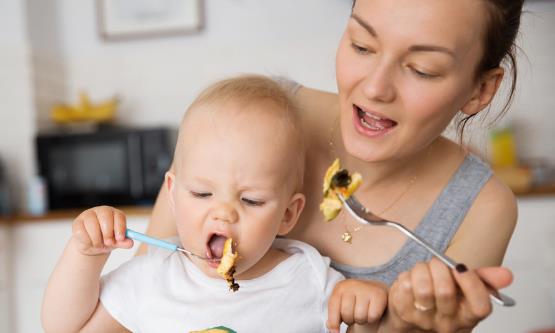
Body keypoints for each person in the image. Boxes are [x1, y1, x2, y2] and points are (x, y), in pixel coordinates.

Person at [142, 0, 523, 331]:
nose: (375, 88)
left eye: (422, 69)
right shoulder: (249, 119)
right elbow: (137, 304)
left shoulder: (479, 208)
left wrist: (401, 328)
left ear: (480, 90)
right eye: (362, 45)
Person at [41, 75, 391, 333]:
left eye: (251, 200)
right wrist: (85, 255)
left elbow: (361, 321)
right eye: (202, 194)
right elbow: (62, 328)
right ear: (173, 195)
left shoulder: (310, 282)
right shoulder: (155, 277)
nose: (223, 212)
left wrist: (365, 308)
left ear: (287, 214)